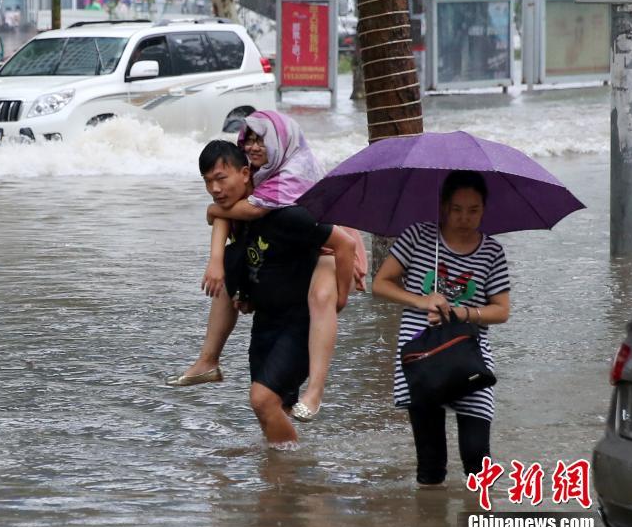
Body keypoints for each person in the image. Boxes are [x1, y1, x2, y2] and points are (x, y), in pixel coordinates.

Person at [167, 111, 366, 424]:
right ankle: (285, 460)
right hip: (305, 257)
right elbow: (232, 216)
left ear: (281, 141)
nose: (256, 147)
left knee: (324, 298)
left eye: (263, 139)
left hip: (333, 249)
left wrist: (343, 294)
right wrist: (228, 270)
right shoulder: (259, 176)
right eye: (250, 140)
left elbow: (249, 212)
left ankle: (315, 391)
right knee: (271, 405)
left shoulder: (294, 172)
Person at [195, 140, 356, 445]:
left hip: (298, 323)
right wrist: (244, 292)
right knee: (273, 408)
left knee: (261, 399)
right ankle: (286, 477)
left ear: (246, 173)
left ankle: (294, 468)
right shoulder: (236, 219)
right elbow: (248, 256)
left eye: (221, 178)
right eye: (207, 182)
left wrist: (341, 295)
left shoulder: (284, 213)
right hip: (266, 323)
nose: (215, 188)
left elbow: (344, 243)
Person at [371, 170, 511, 487]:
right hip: (420, 355)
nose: (464, 217)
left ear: (484, 209)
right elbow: (380, 283)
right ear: (444, 206)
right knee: (431, 463)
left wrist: (460, 312)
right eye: (457, 209)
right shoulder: (418, 236)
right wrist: (421, 301)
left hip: (468, 355)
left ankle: (478, 525)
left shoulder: (492, 251)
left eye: (474, 210)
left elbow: (501, 311)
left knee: (477, 457)